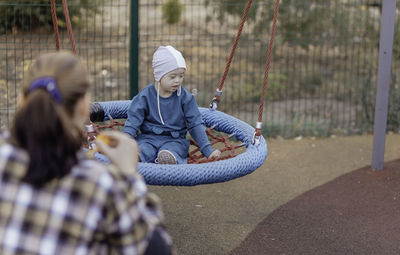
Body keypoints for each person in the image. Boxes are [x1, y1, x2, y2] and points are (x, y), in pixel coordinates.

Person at [0, 51, 172, 254]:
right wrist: (128, 176)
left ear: (22, 100)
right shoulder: (100, 183)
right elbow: (155, 247)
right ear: (84, 109)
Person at [123, 45, 221, 164]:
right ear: (158, 75)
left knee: (173, 150)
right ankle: (137, 157)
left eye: (181, 76)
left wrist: (207, 149)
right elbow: (133, 122)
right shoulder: (144, 96)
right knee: (143, 149)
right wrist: (124, 141)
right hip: (148, 139)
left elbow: (195, 124)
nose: (178, 81)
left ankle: (169, 160)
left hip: (175, 140)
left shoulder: (186, 98)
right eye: (172, 76)